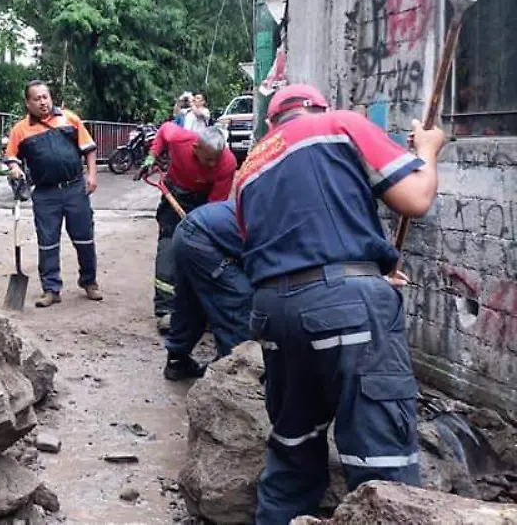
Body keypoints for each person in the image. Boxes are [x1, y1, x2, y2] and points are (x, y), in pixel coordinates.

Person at [235, 83, 448, 524]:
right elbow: (415, 198)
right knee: (382, 465)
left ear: (272, 123)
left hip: (275, 313)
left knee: (292, 448)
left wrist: (364, 272)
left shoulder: (249, 167)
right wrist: (428, 149)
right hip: (346, 308)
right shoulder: (339, 124)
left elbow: (281, 242)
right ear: (317, 107)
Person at [3, 81, 103, 307]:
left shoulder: (70, 119)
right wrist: (15, 167)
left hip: (75, 188)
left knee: (84, 238)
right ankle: (51, 289)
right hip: (45, 194)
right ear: (28, 103)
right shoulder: (20, 129)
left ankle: (89, 282)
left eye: (45, 97)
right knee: (47, 242)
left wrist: (92, 176)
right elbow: (11, 156)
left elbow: (89, 149)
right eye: (36, 98)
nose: (42, 102)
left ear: (51, 98)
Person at [138, 123, 236, 333]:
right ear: (196, 148)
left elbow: (215, 205)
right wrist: (151, 157)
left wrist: (201, 227)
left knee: (203, 250)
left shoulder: (227, 163)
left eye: (215, 159)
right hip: (175, 193)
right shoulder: (181, 139)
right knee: (168, 246)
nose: (212, 164)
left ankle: (203, 309)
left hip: (204, 199)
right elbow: (163, 131)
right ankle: (165, 310)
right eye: (208, 158)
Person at [161, 199, 251, 381]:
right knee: (239, 298)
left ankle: (177, 361)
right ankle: (232, 373)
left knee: (191, 302)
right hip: (204, 238)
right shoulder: (286, 227)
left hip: (188, 230)